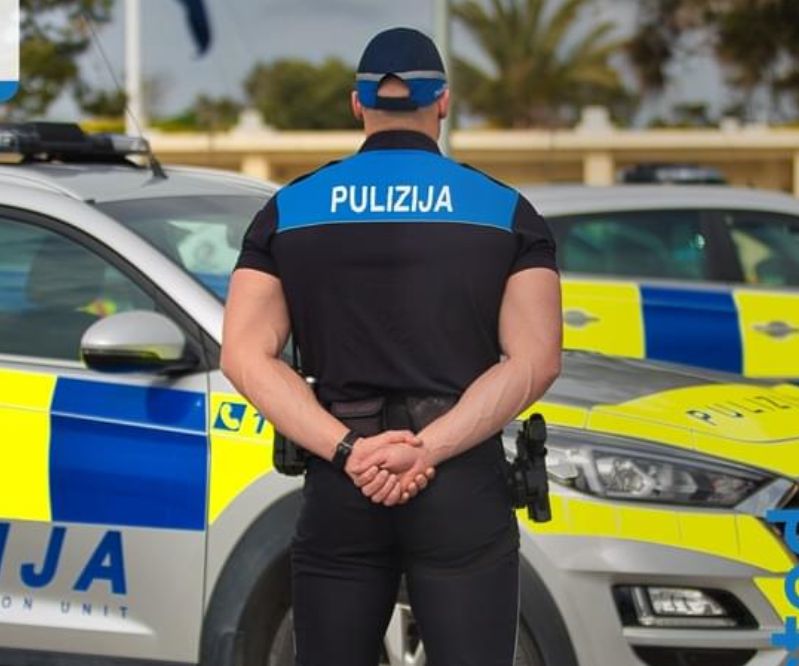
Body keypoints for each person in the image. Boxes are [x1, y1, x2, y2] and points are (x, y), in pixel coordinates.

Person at [221, 26, 562, 666]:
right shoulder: (506, 212)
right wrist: (427, 449)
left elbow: (242, 355)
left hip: (342, 484)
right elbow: (536, 359)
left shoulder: (288, 210)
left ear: (358, 104)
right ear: (444, 102)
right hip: (460, 485)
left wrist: (349, 452)